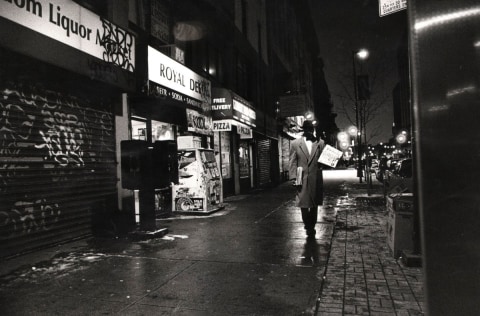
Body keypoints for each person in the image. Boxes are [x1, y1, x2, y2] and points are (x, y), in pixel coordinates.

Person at [289, 120, 325, 238]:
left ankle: (312, 226)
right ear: (303, 130)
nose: (310, 131)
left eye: (311, 128)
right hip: (301, 178)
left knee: (314, 205)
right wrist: (293, 177)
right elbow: (293, 162)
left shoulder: (320, 143)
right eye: (307, 128)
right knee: (303, 204)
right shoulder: (295, 143)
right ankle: (307, 225)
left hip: (315, 177)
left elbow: (324, 161)